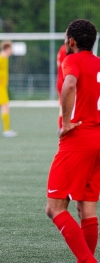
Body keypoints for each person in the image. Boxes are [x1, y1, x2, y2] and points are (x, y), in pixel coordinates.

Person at [45, 19, 100, 263]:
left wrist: (66, 123)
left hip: (79, 140)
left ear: (72, 41)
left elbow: (69, 85)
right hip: (98, 140)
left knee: (54, 208)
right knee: (86, 208)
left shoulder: (72, 60)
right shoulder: (99, 63)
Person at [56, 44, 67, 132]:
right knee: (65, 105)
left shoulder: (63, 48)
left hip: (61, 80)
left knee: (63, 105)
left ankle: (61, 127)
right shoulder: (67, 49)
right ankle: (61, 127)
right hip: (65, 81)